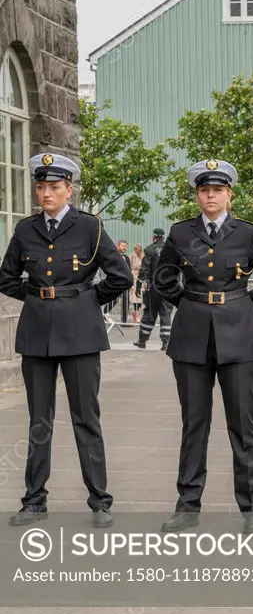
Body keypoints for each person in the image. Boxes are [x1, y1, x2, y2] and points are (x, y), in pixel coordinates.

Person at [154, 159, 253, 535]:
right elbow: (163, 279)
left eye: (217, 190)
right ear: (197, 194)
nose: (210, 195)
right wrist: (192, 304)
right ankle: (187, 505)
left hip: (239, 339)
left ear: (230, 194)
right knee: (194, 424)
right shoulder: (181, 233)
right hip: (191, 338)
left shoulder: (249, 233)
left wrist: (241, 309)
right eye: (203, 190)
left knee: (243, 425)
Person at [0, 153, 132, 528]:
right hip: (37, 333)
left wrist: (84, 301)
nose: (46, 193)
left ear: (68, 190)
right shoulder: (26, 230)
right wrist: (39, 297)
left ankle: (100, 501)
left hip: (81, 333)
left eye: (54, 187)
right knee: (38, 420)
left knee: (85, 418)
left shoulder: (88, 226)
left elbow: (121, 276)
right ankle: (34, 500)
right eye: (41, 187)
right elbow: (6, 277)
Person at [133, 228, 173, 351]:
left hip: (154, 287)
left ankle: (142, 341)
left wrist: (139, 285)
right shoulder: (171, 250)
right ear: (163, 237)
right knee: (166, 315)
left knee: (149, 314)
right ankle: (166, 343)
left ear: (154, 237)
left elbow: (144, 270)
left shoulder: (149, 250)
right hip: (168, 287)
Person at [129, 242, 144, 322]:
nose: (140, 251)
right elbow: (129, 268)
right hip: (134, 278)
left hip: (141, 279)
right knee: (135, 298)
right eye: (139, 250)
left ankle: (136, 312)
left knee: (141, 298)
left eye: (141, 250)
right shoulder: (131, 257)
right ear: (135, 250)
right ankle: (137, 313)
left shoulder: (142, 257)